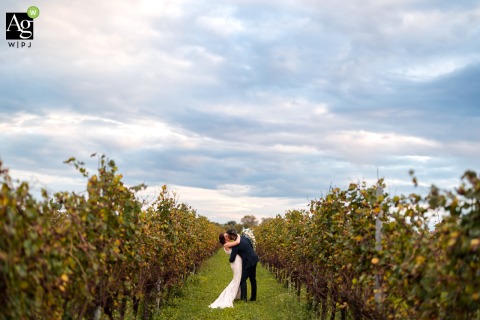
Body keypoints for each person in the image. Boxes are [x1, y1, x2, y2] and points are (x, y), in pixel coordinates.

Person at [208, 231, 242, 308]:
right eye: (227, 236)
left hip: (237, 262)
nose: (228, 236)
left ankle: (237, 295)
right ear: (225, 239)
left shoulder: (227, 243)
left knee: (238, 278)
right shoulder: (226, 244)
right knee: (236, 279)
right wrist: (238, 235)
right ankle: (230, 295)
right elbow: (237, 242)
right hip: (236, 263)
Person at [227, 229, 259, 302]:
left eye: (229, 236)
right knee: (252, 279)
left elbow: (232, 258)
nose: (228, 237)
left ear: (232, 235)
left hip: (248, 261)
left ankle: (244, 298)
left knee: (242, 280)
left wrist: (230, 259)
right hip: (254, 258)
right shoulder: (245, 238)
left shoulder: (235, 244)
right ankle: (253, 298)